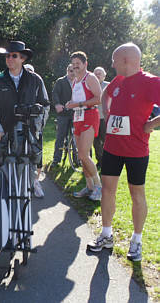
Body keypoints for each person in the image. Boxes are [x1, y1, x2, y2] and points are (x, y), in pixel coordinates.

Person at [87, 43, 160, 262]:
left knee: (136, 193)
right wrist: (107, 112)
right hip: (112, 148)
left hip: (137, 150)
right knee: (108, 190)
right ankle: (106, 235)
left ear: (126, 60)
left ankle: (136, 241)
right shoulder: (117, 81)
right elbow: (105, 95)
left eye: (114, 59)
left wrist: (153, 123)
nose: (111, 64)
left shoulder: (150, 82)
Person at [0, 40, 49, 185]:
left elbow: (45, 105)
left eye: (14, 56)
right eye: (7, 56)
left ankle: (28, 195)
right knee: (5, 175)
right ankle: (6, 204)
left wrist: (38, 127)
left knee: (28, 174)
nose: (9, 59)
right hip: (4, 132)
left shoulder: (35, 80)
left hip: (29, 133)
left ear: (22, 58)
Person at [65, 51, 102, 201]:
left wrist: (77, 104)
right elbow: (76, 99)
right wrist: (70, 103)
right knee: (80, 156)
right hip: (78, 117)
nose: (75, 67)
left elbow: (98, 98)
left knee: (84, 155)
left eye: (78, 64)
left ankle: (99, 187)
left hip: (90, 116)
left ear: (85, 64)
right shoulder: (75, 80)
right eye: (73, 65)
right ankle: (89, 186)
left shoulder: (90, 77)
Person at [24, 63, 46, 198]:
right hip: (20, 126)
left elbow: (45, 106)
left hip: (35, 126)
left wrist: (39, 124)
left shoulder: (38, 84)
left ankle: (36, 182)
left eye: (31, 72)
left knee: (37, 154)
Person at [51, 64, 75, 167]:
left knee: (76, 137)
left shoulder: (79, 81)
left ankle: (77, 159)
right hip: (63, 113)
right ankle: (56, 159)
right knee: (60, 136)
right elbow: (55, 93)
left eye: (74, 70)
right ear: (67, 71)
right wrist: (57, 104)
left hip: (75, 113)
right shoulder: (60, 81)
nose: (72, 73)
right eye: (70, 71)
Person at [92, 66, 110, 168]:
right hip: (93, 118)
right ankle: (100, 160)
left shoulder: (109, 86)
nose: (97, 75)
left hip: (104, 118)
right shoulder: (90, 85)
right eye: (96, 73)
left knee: (105, 141)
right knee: (96, 142)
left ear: (104, 75)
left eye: (100, 73)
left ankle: (108, 161)